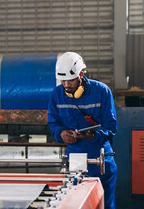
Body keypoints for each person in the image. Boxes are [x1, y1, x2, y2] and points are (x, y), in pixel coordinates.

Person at [47, 52, 117, 209]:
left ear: (81, 74)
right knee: (75, 202)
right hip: (75, 157)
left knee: (104, 203)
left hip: (100, 157)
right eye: (62, 80)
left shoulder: (102, 92)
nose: (66, 85)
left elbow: (111, 127)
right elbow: (53, 122)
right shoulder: (57, 95)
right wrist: (61, 133)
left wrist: (94, 136)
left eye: (70, 80)